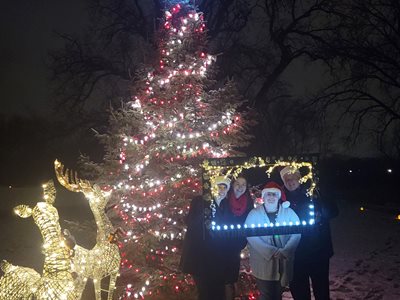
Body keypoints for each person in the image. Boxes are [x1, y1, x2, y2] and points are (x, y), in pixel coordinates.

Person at [280, 166, 339, 300]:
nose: (290, 181)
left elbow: (334, 211)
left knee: (321, 290)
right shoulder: (280, 199)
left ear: (299, 178)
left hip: (318, 252)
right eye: (287, 179)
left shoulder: (314, 193)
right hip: (294, 255)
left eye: (293, 178)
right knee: (300, 292)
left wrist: (322, 209)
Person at [245, 181, 301, 300]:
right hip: (263, 264)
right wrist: (271, 251)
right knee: (266, 295)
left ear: (279, 197)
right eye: (268, 194)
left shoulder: (289, 213)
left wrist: (286, 250)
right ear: (264, 197)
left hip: (284, 263)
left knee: (278, 295)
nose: (271, 197)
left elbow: (296, 233)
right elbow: (251, 236)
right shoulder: (254, 214)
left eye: (274, 194)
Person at [180, 176, 231, 300]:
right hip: (199, 258)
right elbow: (191, 222)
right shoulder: (200, 201)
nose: (221, 190)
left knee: (218, 292)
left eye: (225, 188)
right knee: (205, 292)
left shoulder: (225, 205)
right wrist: (206, 213)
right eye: (219, 186)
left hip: (217, 258)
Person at [218, 176, 254, 299]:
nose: (240, 187)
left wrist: (242, 242)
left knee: (232, 277)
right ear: (232, 186)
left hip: (237, 246)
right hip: (221, 245)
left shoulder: (249, 203)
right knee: (223, 278)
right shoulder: (224, 200)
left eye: (243, 184)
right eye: (237, 184)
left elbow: (249, 225)